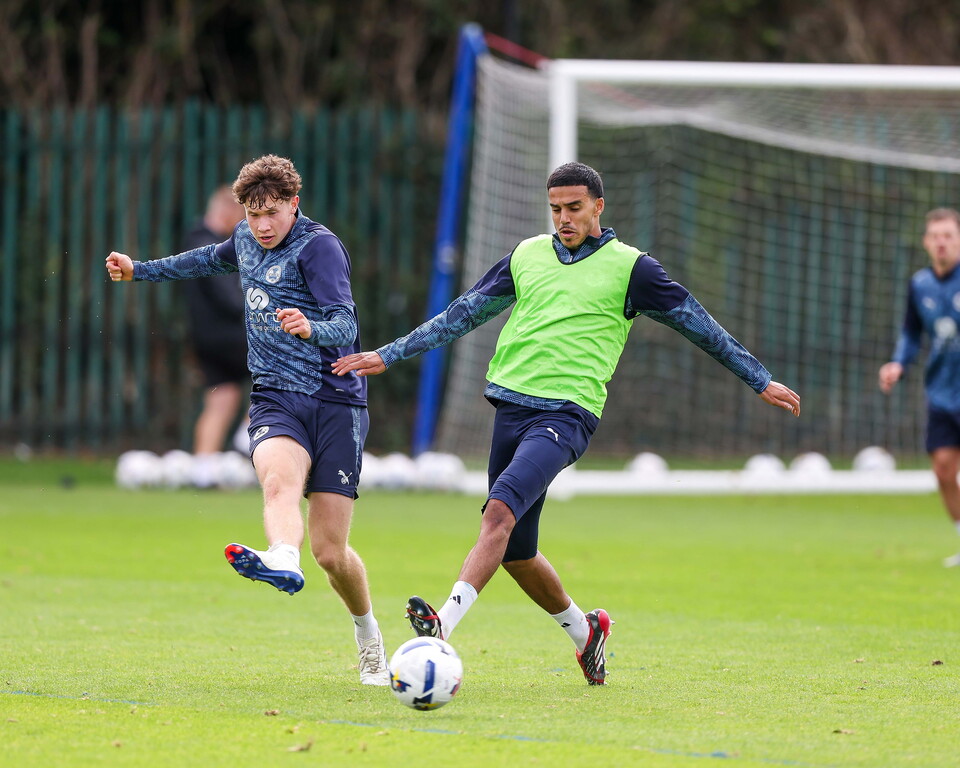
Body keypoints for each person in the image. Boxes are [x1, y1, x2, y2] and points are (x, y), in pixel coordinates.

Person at [333, 161, 801, 686]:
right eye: (555, 209)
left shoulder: (633, 269)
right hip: (511, 409)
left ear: (599, 206)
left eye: (574, 208)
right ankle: (587, 633)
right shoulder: (526, 255)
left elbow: (699, 323)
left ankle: (440, 630)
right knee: (516, 552)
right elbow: (461, 314)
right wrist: (390, 354)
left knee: (497, 514)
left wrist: (759, 379)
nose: (563, 218)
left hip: (567, 414)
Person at [106, 154, 390, 685]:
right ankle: (283, 555)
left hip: (336, 402)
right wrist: (139, 270)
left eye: (273, 213)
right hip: (275, 397)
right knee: (277, 482)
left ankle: (368, 634)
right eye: (253, 214)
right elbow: (200, 261)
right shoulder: (242, 240)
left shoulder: (319, 247)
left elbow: (346, 322)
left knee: (331, 552)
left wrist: (310, 327)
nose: (262, 226)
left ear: (293, 205)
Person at [879, 207, 960, 568]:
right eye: (936, 236)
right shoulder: (920, 284)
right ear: (926, 242)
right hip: (942, 391)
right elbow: (911, 333)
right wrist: (898, 362)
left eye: (949, 236)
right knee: (943, 469)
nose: (942, 243)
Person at [180, 185, 249, 488]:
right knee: (282, 370)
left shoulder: (192, 241)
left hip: (204, 337)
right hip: (230, 335)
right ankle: (248, 437)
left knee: (222, 397)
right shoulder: (209, 246)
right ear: (226, 210)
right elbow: (230, 298)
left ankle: (203, 472)